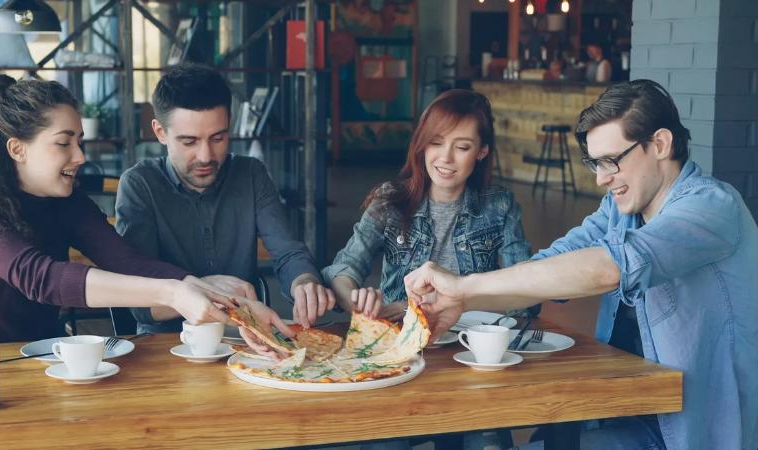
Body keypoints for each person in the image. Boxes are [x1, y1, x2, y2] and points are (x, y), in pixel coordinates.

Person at [404, 80, 758, 450]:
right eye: (595, 163)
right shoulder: (620, 210)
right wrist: (460, 302)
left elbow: (610, 268)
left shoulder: (711, 208)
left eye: (612, 161)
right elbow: (551, 264)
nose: (602, 179)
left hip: (689, 432)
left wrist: (464, 287)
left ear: (660, 145)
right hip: (623, 410)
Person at [0, 75, 291, 344]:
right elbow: (42, 279)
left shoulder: (67, 201)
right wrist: (173, 293)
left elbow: (129, 263)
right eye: (63, 143)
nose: (80, 157)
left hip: (40, 353)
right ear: (18, 149)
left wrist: (202, 289)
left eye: (79, 141)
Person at [322, 89, 534, 450]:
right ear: (421, 144)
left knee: (486, 442)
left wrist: (462, 299)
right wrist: (356, 299)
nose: (445, 158)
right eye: (436, 142)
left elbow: (526, 294)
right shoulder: (389, 201)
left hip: (472, 358)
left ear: (482, 152)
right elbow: (342, 268)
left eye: (462, 147)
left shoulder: (498, 207)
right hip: (403, 355)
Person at [116, 63, 334, 337]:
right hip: (165, 345)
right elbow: (141, 305)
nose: (206, 155)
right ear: (160, 132)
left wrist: (305, 281)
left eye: (218, 138)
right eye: (189, 142)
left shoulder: (251, 174)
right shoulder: (140, 185)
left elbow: (288, 252)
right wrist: (204, 288)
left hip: (244, 338)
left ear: (229, 124)